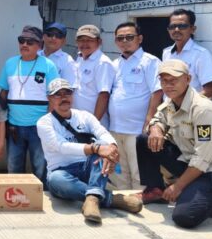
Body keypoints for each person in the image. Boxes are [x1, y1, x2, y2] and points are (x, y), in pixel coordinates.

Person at [136, 59, 212, 229]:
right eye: (164, 81)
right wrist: (156, 128)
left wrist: (177, 187)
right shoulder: (171, 103)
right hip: (188, 162)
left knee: (185, 217)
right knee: (144, 139)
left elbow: (202, 159)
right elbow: (158, 118)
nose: (168, 85)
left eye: (173, 80)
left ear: (188, 79)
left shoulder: (204, 109)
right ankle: (155, 190)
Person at [38, 78, 142, 224]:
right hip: (62, 173)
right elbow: (61, 146)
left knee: (103, 144)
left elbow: (102, 132)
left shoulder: (84, 116)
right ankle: (111, 198)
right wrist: (97, 148)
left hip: (89, 169)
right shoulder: (44, 122)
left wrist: (112, 147)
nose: (63, 98)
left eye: (67, 93)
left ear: (72, 95)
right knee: (56, 180)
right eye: (58, 94)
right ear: (49, 98)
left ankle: (92, 199)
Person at [0, 25, 59, 186]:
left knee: (40, 167)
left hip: (38, 127)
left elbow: (54, 97)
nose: (25, 44)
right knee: (13, 167)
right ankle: (13, 198)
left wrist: (48, 123)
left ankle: (40, 199)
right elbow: (3, 92)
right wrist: (0, 119)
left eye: (30, 42)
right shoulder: (10, 63)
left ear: (39, 45)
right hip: (14, 127)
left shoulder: (48, 65)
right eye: (21, 41)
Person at [107, 22, 163, 190]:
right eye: (120, 38)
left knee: (138, 172)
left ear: (140, 39)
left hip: (137, 130)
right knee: (119, 172)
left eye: (129, 37)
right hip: (115, 128)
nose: (125, 41)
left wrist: (149, 120)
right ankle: (123, 203)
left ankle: (139, 206)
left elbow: (157, 92)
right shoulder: (115, 64)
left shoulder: (150, 62)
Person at [162, 9, 212, 98]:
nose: (176, 29)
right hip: (169, 109)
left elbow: (209, 91)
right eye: (172, 26)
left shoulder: (201, 54)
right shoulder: (167, 53)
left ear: (192, 29)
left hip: (190, 110)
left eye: (182, 26)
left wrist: (184, 106)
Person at [72, 25, 115, 128]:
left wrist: (93, 125)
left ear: (99, 42)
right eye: (81, 40)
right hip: (77, 122)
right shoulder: (79, 59)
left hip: (93, 124)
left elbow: (104, 96)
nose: (85, 44)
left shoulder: (102, 62)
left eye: (89, 40)